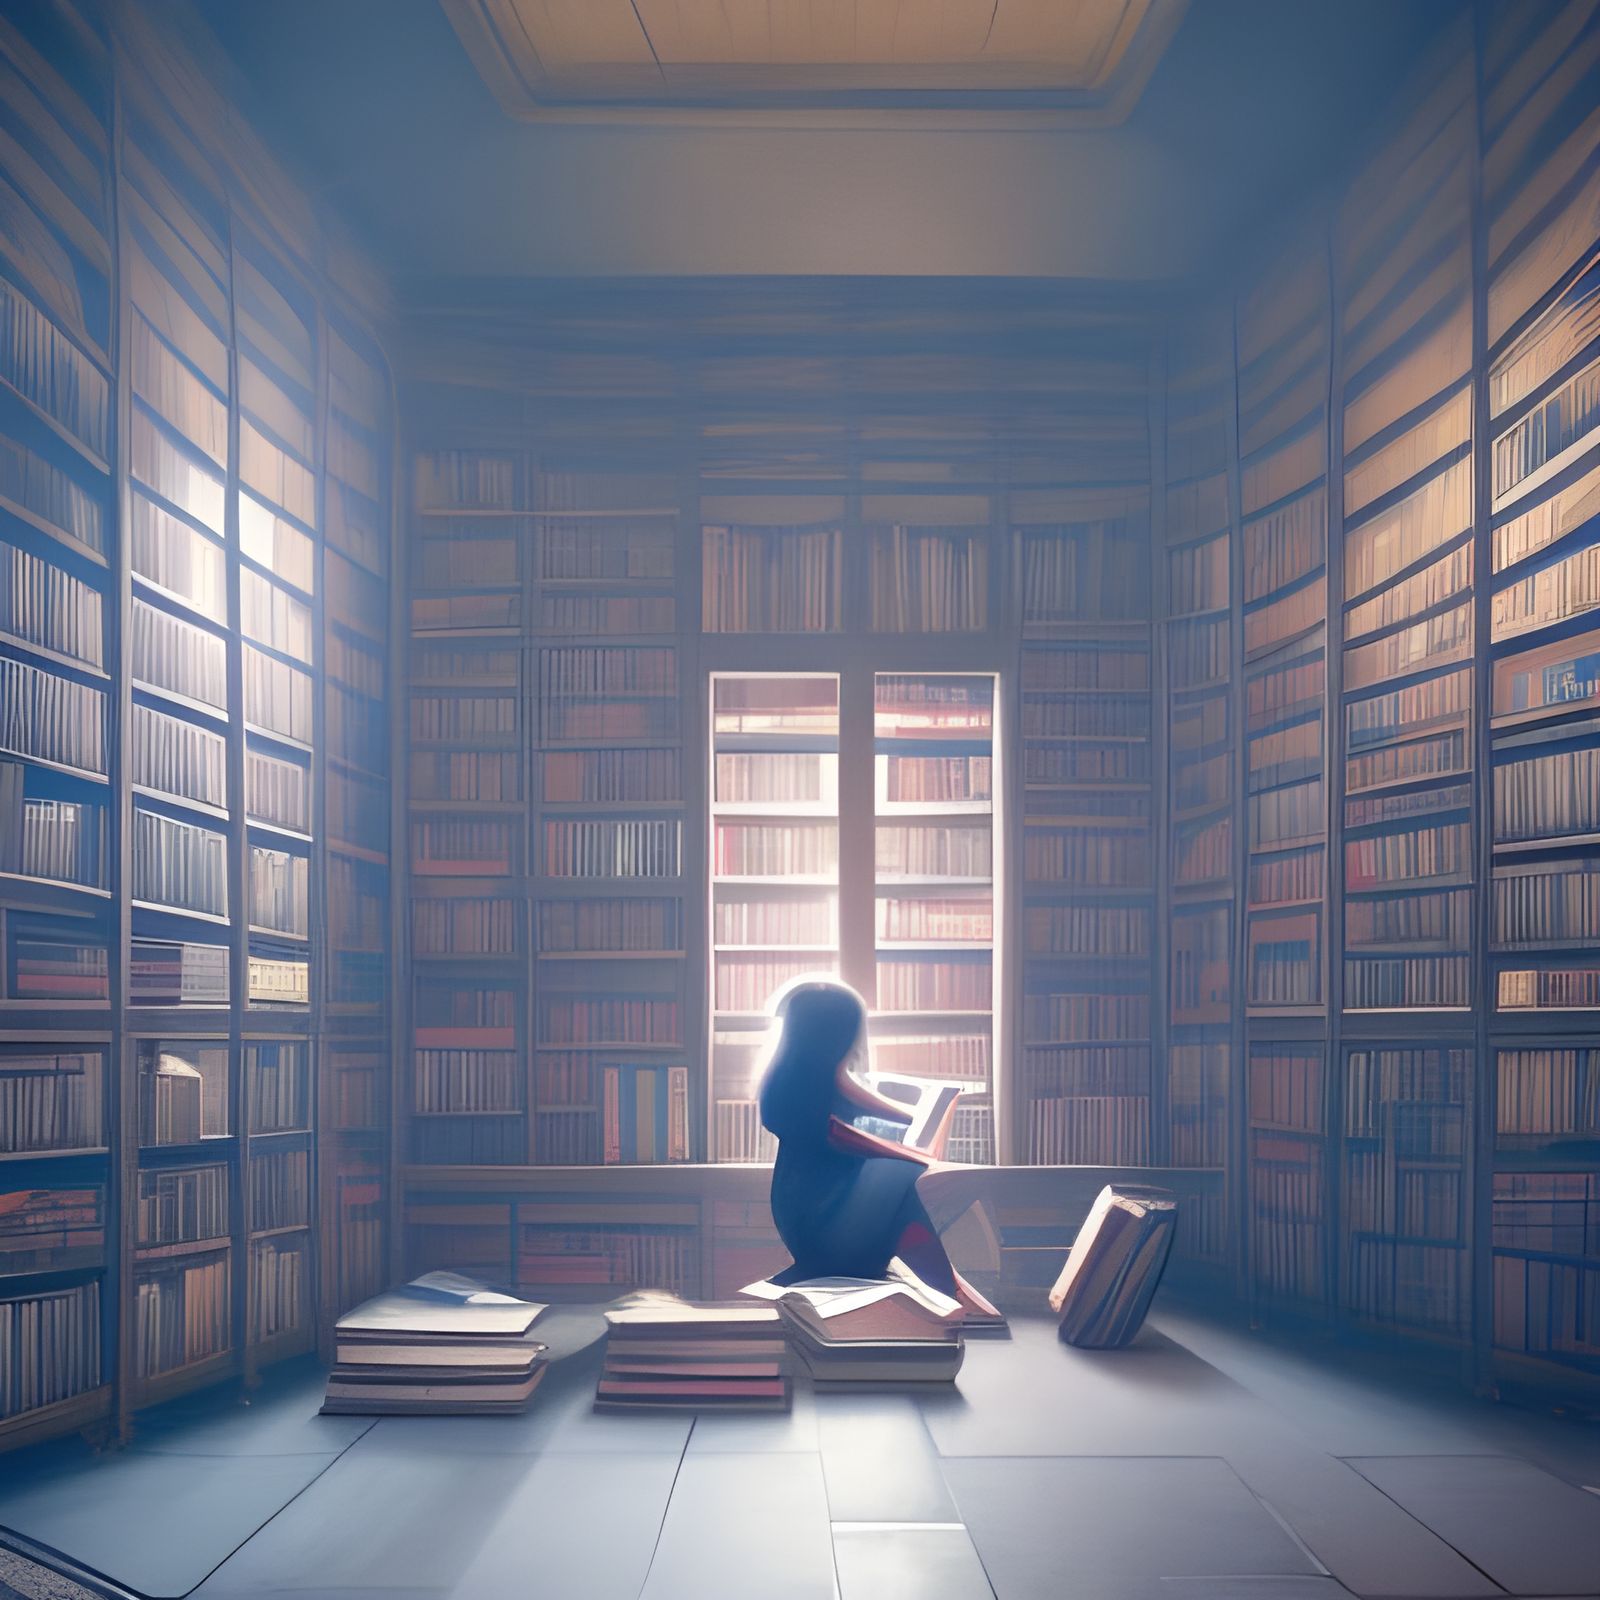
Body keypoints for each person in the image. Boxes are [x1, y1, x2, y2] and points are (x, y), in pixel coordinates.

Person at [757, 975, 999, 1318]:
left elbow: (882, 1107)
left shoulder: (828, 1075)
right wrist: (916, 1155)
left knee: (905, 1207)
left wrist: (924, 1111)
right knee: (899, 1175)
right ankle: (951, 1291)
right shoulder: (791, 1084)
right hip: (816, 1219)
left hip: (837, 1211)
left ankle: (950, 1291)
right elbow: (843, 1137)